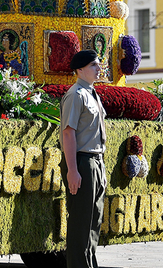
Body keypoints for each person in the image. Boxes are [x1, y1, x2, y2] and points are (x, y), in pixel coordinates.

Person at [59, 50, 107, 268]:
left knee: (94, 219)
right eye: (93, 65)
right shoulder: (76, 94)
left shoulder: (92, 93)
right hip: (81, 161)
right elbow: (68, 133)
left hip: (96, 160)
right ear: (79, 70)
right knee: (81, 221)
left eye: (98, 64)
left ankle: (88, 263)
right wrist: (72, 169)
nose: (98, 68)